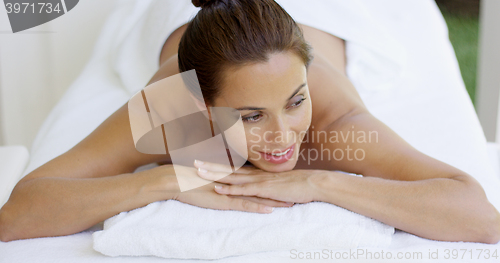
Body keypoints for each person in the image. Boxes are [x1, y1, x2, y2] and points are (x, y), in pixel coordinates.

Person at [0, 0, 499, 244]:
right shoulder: (174, 106)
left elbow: (480, 217)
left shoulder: (330, 121)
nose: (284, 137)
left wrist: (320, 182)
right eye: (252, 116)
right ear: (201, 106)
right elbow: (17, 214)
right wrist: (163, 180)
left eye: (294, 102)